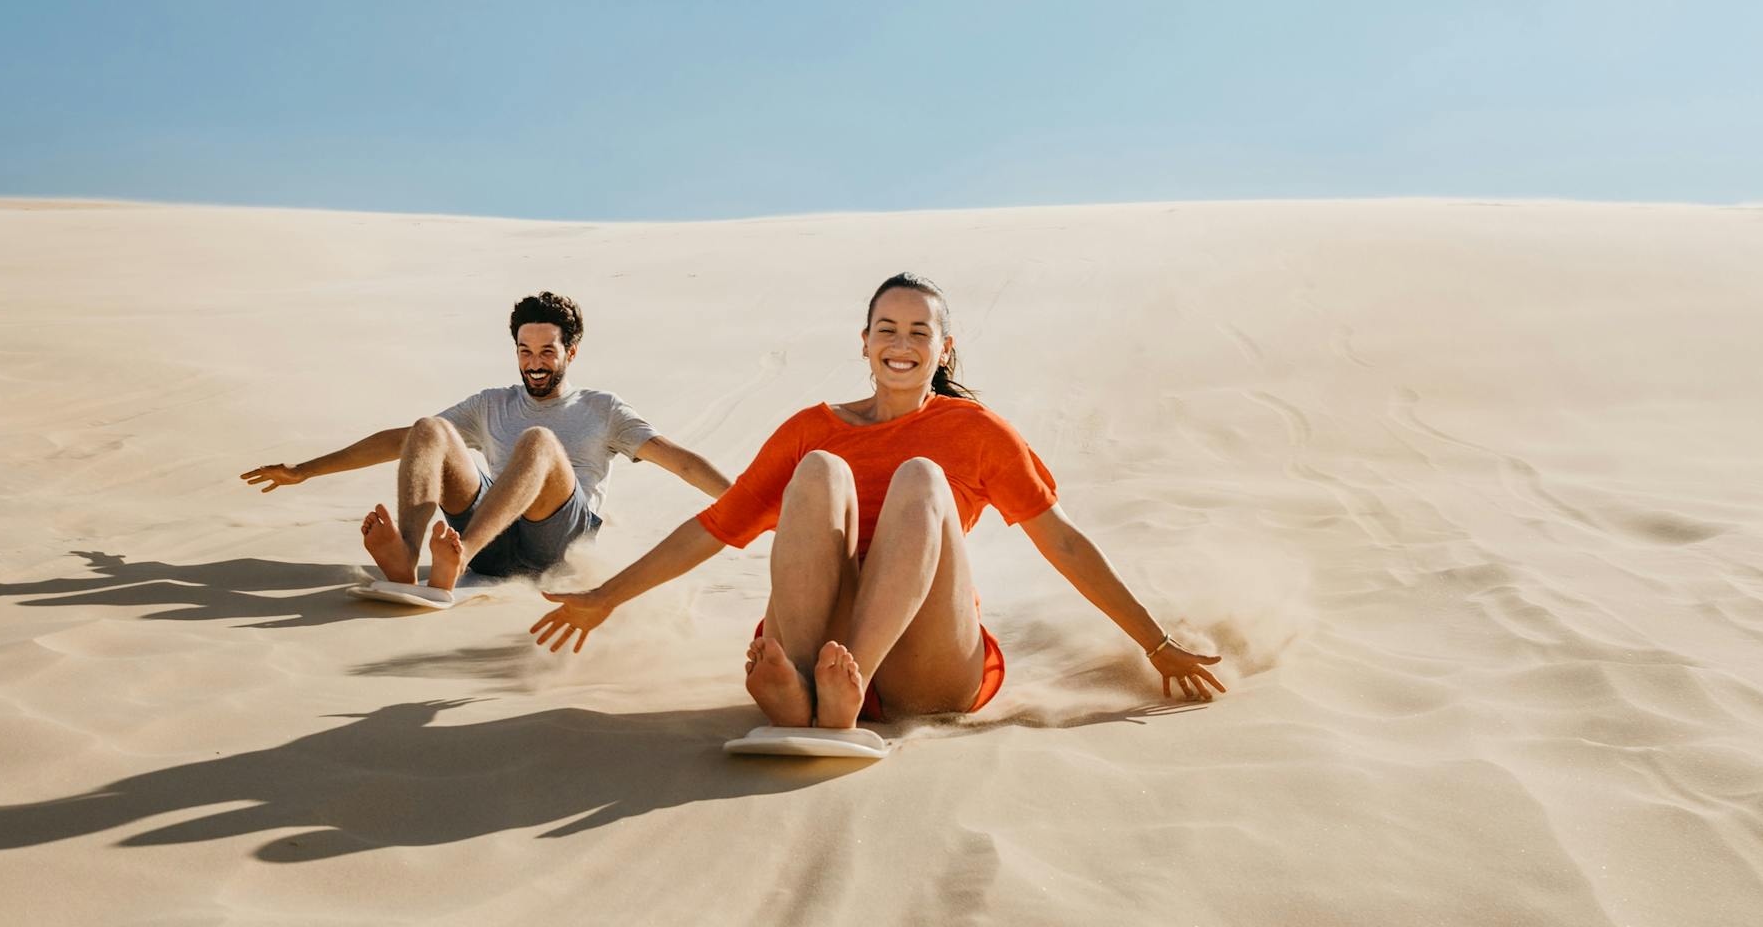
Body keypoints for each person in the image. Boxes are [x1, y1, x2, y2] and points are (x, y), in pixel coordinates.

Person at [527, 272, 1228, 726]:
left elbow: (1063, 542)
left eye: (919, 332)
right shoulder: (811, 429)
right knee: (819, 470)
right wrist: (606, 597)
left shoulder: (976, 433)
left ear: (944, 351)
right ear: (864, 344)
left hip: (929, 659)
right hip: (820, 636)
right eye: (886, 330)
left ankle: (846, 687)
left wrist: (1155, 643)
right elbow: (715, 526)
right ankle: (803, 683)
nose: (901, 343)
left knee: (920, 478)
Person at [240, 290, 731, 593]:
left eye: (546, 351)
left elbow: (680, 461)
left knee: (539, 442)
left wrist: (751, 504)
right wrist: (304, 470)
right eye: (524, 351)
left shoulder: (602, 409)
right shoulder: (492, 403)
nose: (534, 362)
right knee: (428, 430)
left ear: (571, 352)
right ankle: (410, 556)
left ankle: (459, 557)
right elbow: (400, 442)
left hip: (555, 543)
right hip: (494, 537)